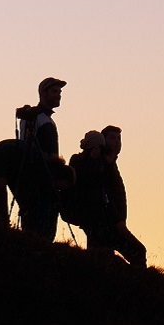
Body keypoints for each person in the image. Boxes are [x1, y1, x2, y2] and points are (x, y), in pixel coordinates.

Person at [16, 77, 70, 238]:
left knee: (44, 223)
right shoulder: (36, 118)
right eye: (54, 91)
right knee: (38, 223)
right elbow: (27, 147)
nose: (58, 95)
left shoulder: (44, 119)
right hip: (39, 178)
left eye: (59, 92)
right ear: (43, 93)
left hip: (45, 177)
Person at [100, 125, 147, 268]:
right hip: (107, 224)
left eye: (119, 138)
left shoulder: (111, 164)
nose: (117, 142)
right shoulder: (102, 165)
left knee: (102, 260)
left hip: (112, 223)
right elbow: (104, 195)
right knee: (138, 251)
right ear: (104, 140)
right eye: (112, 138)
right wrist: (117, 221)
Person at [68, 130, 112, 248]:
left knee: (100, 239)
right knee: (95, 237)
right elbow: (83, 181)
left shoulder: (100, 163)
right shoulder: (77, 160)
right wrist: (92, 160)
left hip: (98, 207)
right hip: (84, 207)